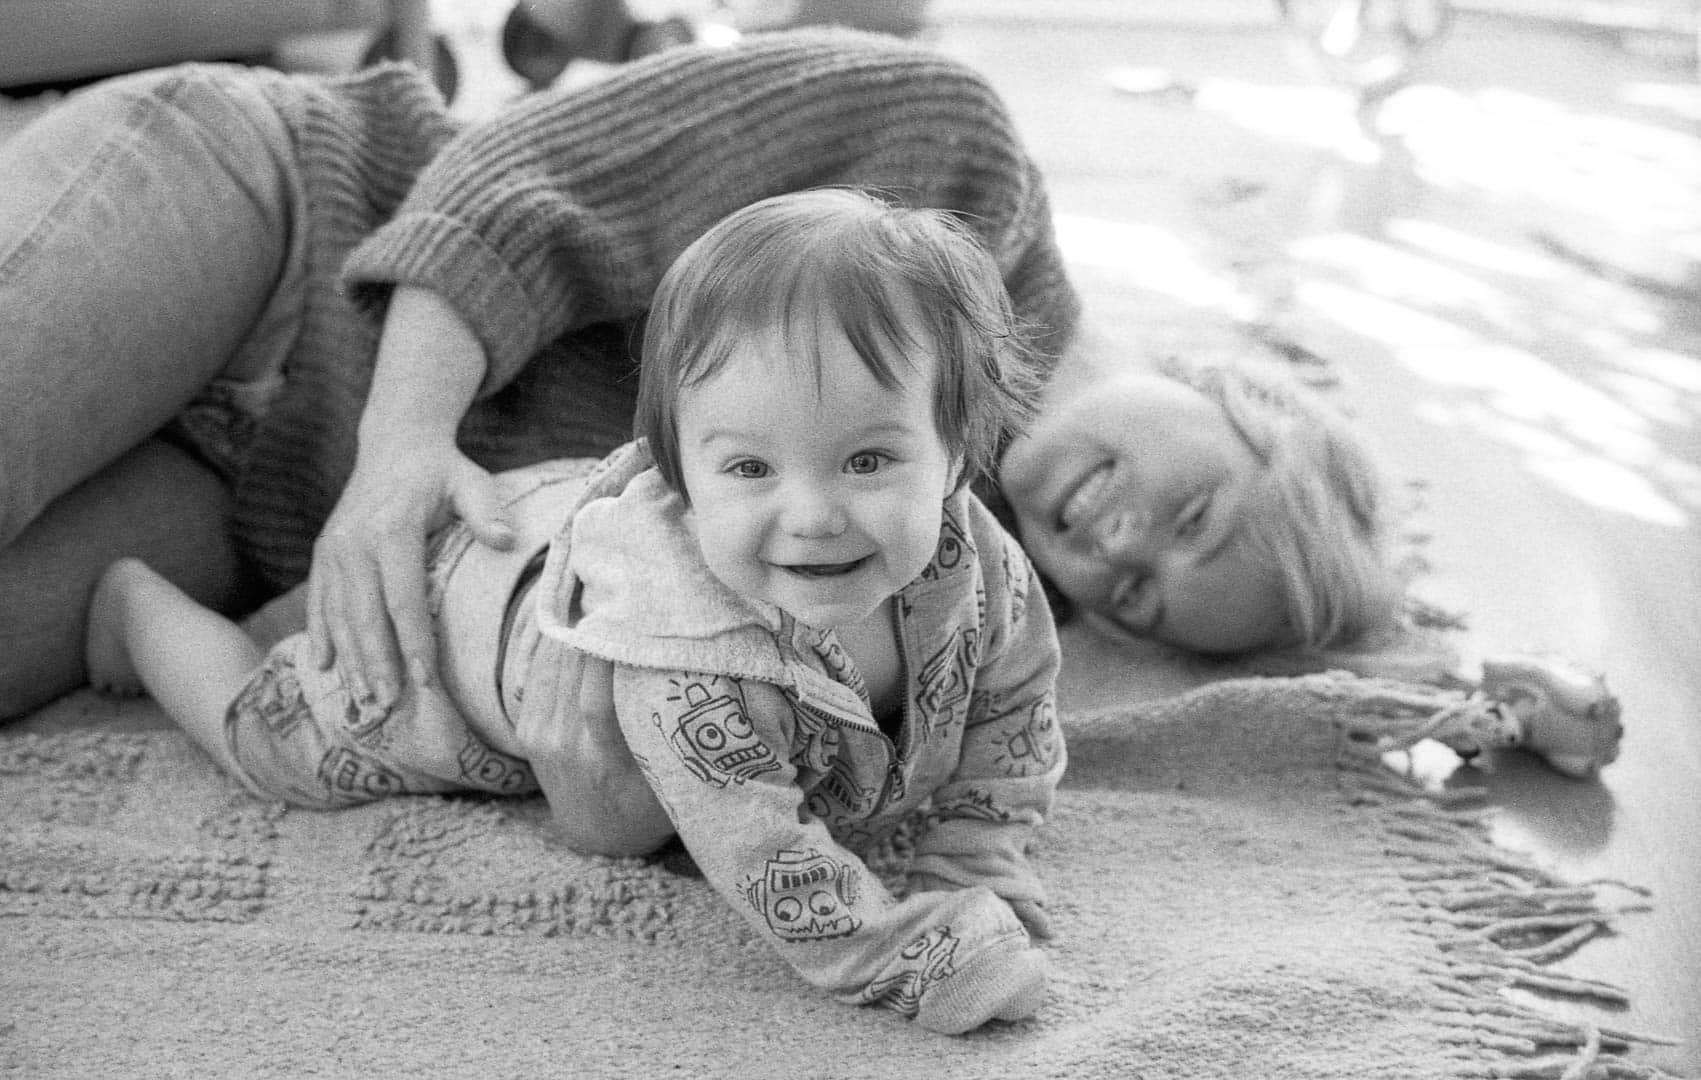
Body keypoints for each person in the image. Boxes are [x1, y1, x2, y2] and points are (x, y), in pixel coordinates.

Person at [0, 29, 1398, 721]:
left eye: (1144, 596)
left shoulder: (924, 570)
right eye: (1195, 510)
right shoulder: (951, 153)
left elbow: (1082, 738)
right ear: (1232, 391)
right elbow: (517, 175)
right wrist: (398, 456)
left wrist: (1469, 700)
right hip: (280, 221)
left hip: (246, 494)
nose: (1121, 544)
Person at [85, 188, 1066, 1034]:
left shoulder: (980, 565)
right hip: (458, 632)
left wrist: (980, 857)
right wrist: (918, 954)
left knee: (307, 638)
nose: (812, 517)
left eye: (868, 460)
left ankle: (271, 617)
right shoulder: (690, 659)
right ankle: (138, 606)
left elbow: (1014, 707)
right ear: (681, 476)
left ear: (959, 453)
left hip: (548, 513)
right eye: (749, 468)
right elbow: (773, 864)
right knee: (278, 737)